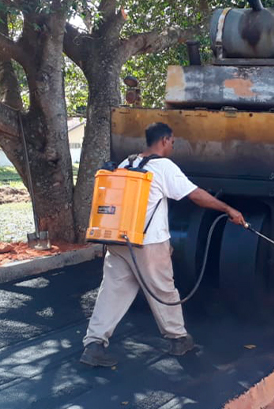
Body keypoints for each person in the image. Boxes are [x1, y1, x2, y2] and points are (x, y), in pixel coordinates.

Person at [80, 122, 246, 368]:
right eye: (173, 142)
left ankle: (94, 345)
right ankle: (178, 338)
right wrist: (228, 209)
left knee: (111, 293)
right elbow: (195, 194)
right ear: (165, 140)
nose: (172, 146)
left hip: (118, 240)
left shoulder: (128, 163)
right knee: (163, 290)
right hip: (149, 244)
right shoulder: (163, 166)